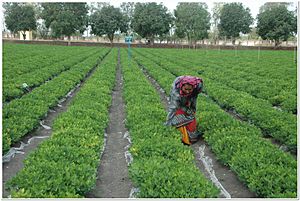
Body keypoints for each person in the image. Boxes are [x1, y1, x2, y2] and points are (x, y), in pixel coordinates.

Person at [165, 75, 203, 145]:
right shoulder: (176, 93)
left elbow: (194, 98)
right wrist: (168, 123)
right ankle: (184, 137)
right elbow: (173, 108)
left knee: (191, 115)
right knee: (178, 113)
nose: (188, 91)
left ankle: (192, 136)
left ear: (193, 88)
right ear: (181, 86)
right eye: (186, 89)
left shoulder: (197, 86)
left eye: (190, 89)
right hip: (178, 98)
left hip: (190, 94)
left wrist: (193, 110)